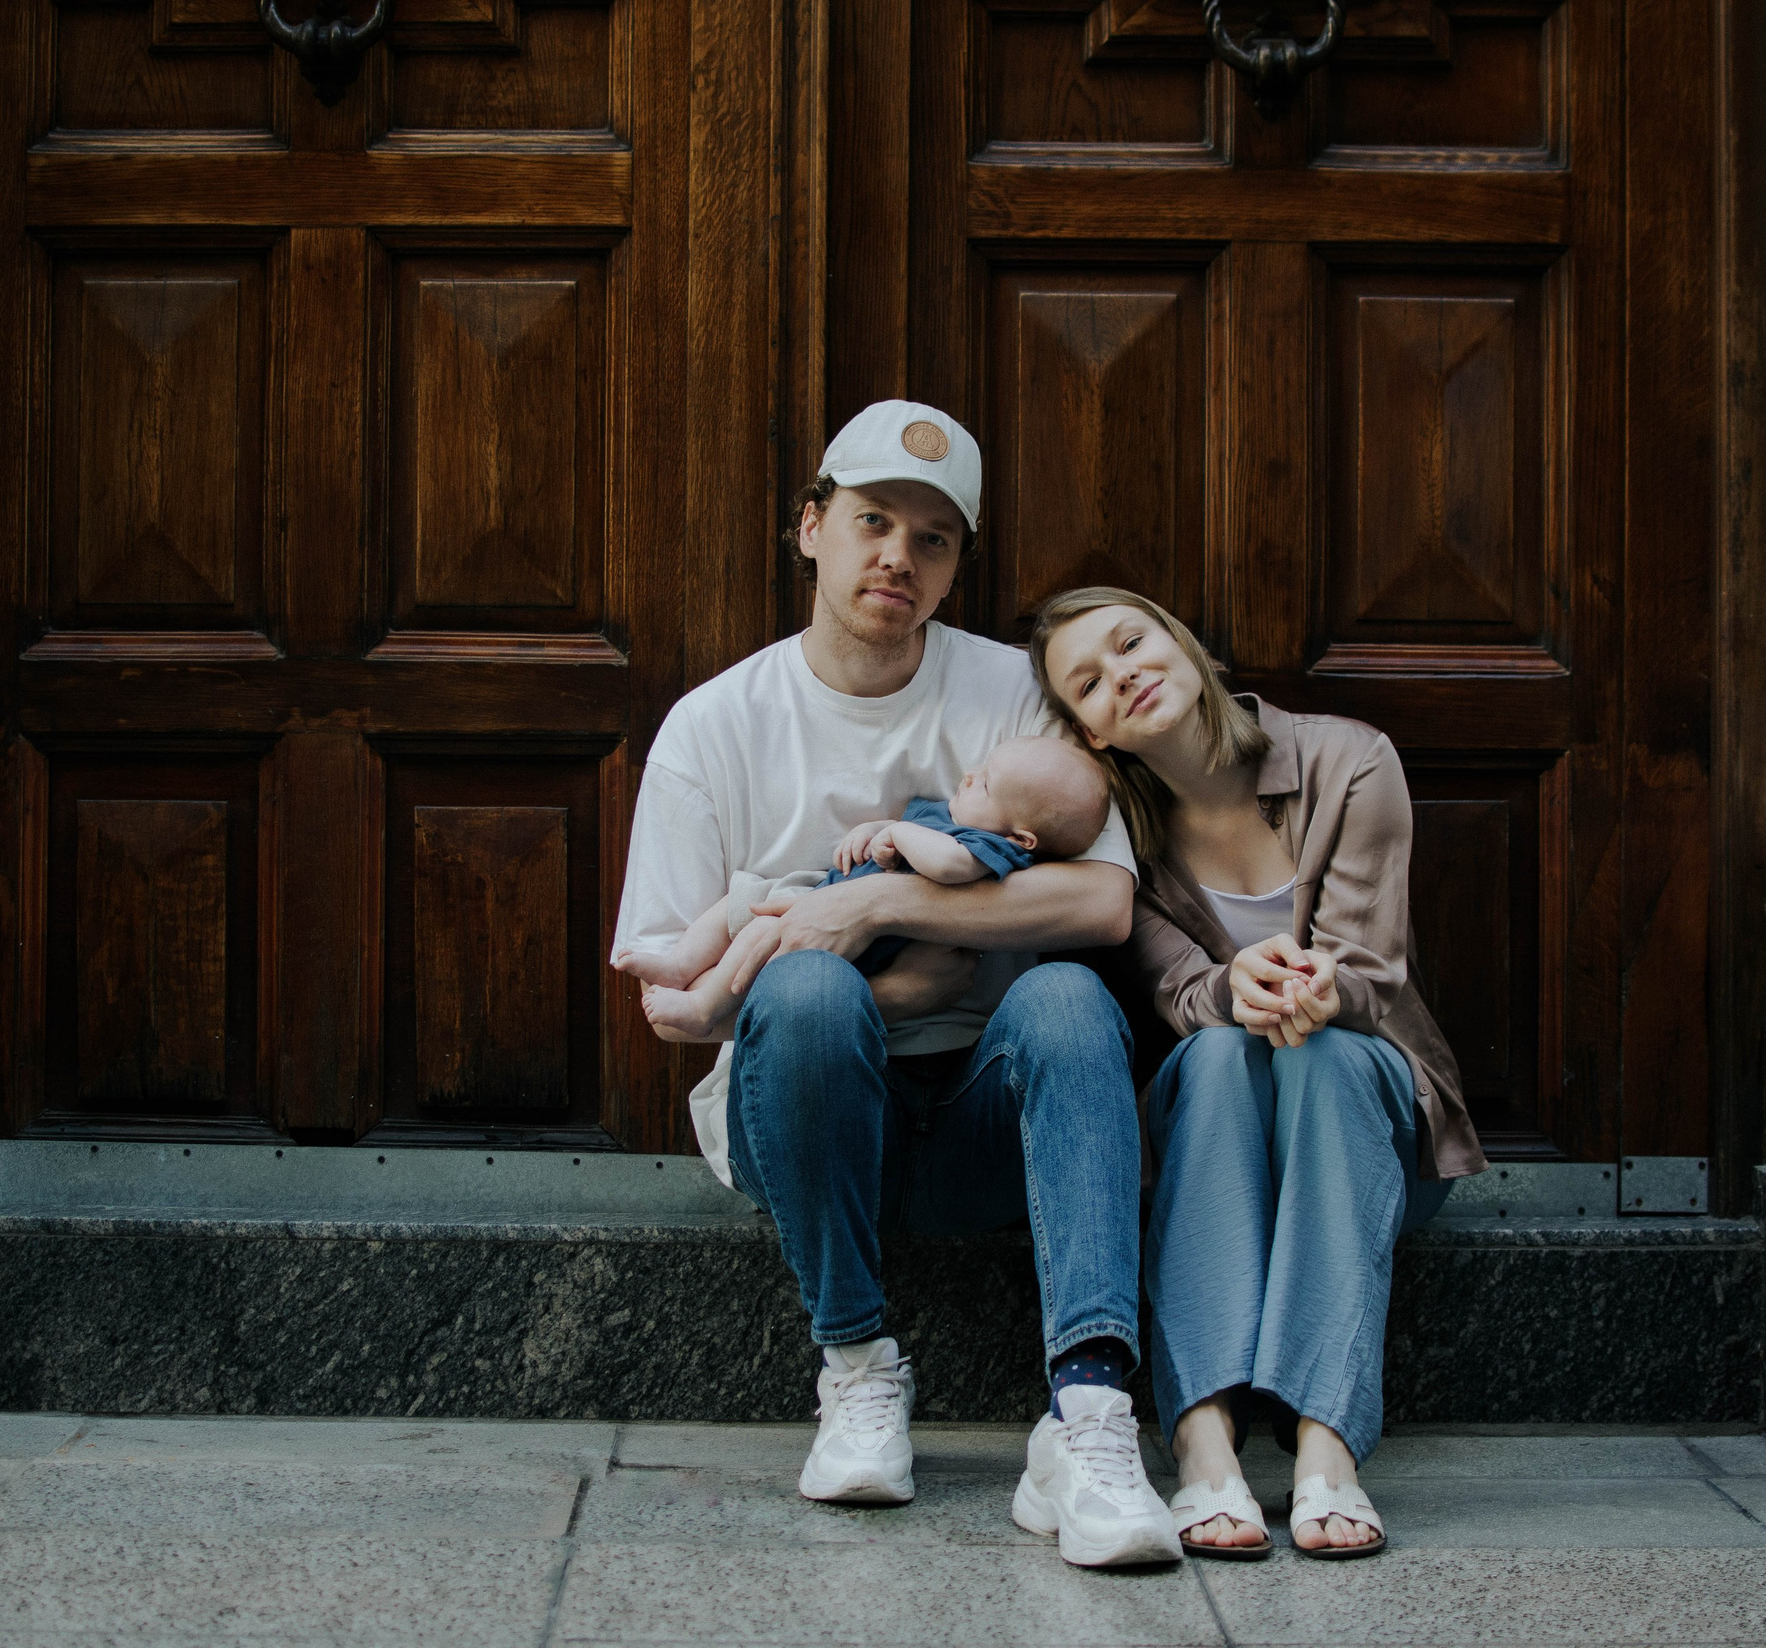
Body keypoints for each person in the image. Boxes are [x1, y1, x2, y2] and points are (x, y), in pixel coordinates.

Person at [611, 404, 1183, 1568]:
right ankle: (859, 1366)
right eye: (872, 522)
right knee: (811, 997)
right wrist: (862, 978)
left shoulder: (1010, 696)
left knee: (1069, 1000)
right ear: (811, 528)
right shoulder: (712, 726)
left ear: (956, 565)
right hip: (816, 1131)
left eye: (932, 539)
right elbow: (679, 1001)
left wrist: (872, 903)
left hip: (986, 1118)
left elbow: (1100, 904)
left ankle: (1089, 1419)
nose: (898, 558)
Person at [1031, 585, 1487, 1561]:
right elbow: (1173, 987)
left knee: (1321, 1053)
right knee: (1224, 1048)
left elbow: (1367, 968)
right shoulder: (1119, 837)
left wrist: (1320, 991)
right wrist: (1235, 988)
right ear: (1090, 732)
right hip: (1217, 1134)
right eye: (1091, 682)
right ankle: (1204, 1444)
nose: (1125, 674)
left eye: (1130, 642)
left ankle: (1327, 1447)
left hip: (1363, 1135)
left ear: (1179, 641)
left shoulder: (1346, 760)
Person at [615, 736, 1111, 1040]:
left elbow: (949, 867)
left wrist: (897, 833)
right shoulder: (949, 814)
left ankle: (704, 1009)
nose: (969, 776)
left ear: (1022, 837)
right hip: (819, 893)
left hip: (863, 946)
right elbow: (894, 830)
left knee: (762, 934)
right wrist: (872, 830)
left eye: (984, 784)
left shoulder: (987, 847)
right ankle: (682, 965)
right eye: (980, 769)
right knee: (740, 900)